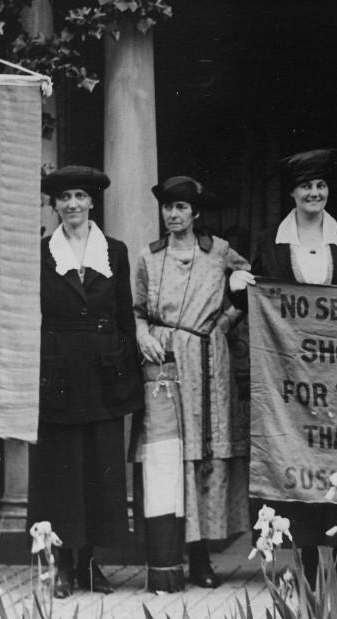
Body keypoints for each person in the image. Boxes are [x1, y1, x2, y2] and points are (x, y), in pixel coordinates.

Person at [236, 148, 337, 584]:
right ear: (293, 193)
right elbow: (257, 300)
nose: (314, 193)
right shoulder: (268, 241)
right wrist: (237, 285)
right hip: (291, 375)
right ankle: (307, 556)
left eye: (320, 186)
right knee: (297, 455)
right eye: (305, 187)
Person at [132, 176, 253, 592]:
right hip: (165, 362)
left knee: (204, 455)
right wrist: (144, 336)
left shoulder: (218, 252)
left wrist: (223, 324)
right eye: (168, 207)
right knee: (171, 456)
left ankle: (202, 557)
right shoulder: (149, 259)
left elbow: (248, 291)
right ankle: (171, 557)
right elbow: (136, 311)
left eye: (181, 207)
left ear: (195, 212)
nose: (173, 214)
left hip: (207, 360)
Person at [30, 165, 143, 598]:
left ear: (93, 202)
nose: (72, 205)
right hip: (57, 373)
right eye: (64, 198)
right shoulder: (41, 252)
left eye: (79, 196)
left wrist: (129, 377)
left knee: (101, 468)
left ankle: (89, 563)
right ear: (54, 205)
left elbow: (124, 315)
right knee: (60, 472)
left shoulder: (114, 250)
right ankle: (60, 565)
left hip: (103, 374)